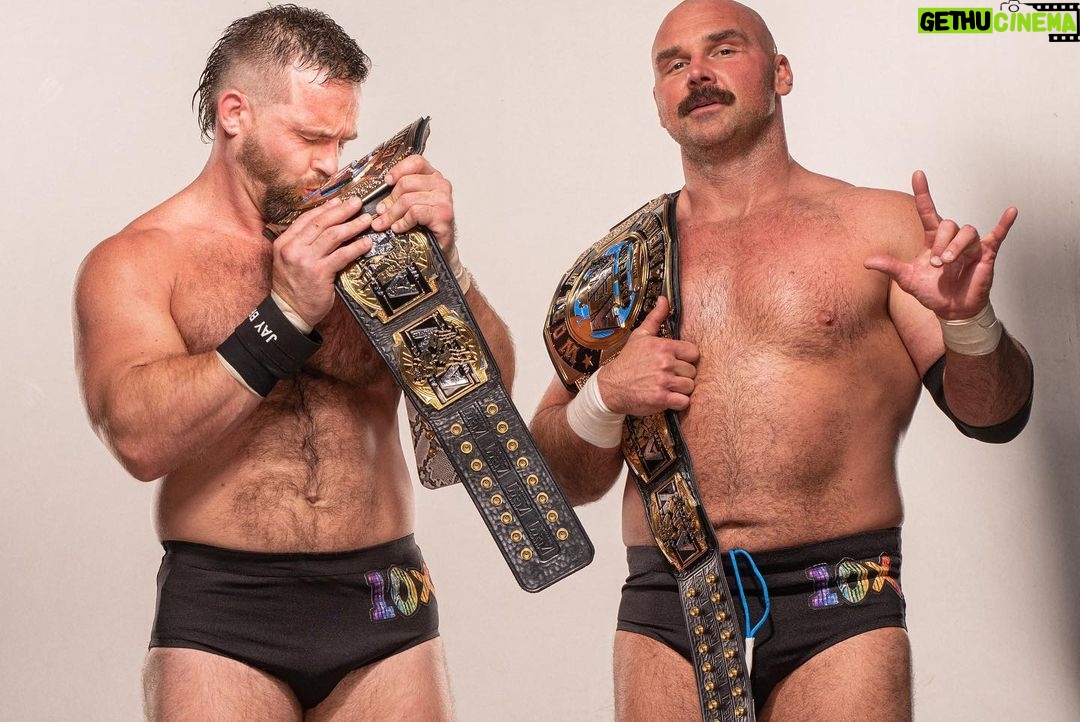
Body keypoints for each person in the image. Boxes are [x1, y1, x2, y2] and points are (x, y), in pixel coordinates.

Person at [529, 1, 1033, 719]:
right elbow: (560, 482)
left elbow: (995, 417)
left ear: (781, 73)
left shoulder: (879, 227)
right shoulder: (622, 271)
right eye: (674, 64)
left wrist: (969, 324)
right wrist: (603, 397)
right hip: (667, 603)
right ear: (659, 103)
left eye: (724, 50)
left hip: (836, 599)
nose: (697, 74)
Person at [73, 5, 513, 719]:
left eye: (342, 140)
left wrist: (448, 269)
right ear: (235, 114)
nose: (332, 165)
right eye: (311, 137)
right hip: (225, 609)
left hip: (384, 595)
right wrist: (284, 315)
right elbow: (137, 436)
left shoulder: (370, 240)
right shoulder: (140, 259)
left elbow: (482, 427)